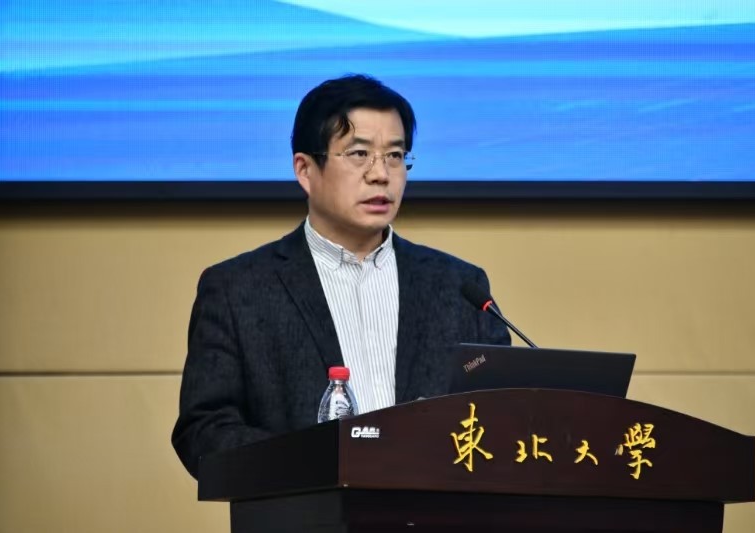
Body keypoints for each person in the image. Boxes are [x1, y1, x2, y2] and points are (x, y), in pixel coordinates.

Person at [172, 74, 510, 479]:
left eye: (395, 155)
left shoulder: (460, 288)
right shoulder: (237, 290)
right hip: (304, 508)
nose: (380, 174)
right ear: (305, 170)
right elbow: (204, 433)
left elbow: (504, 420)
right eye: (359, 154)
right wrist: (318, 462)